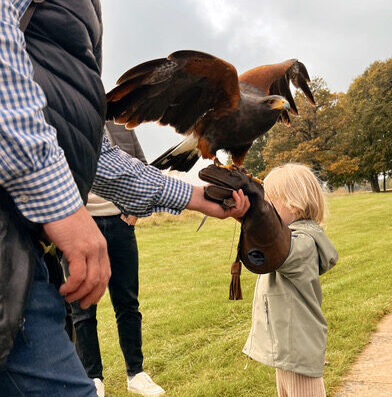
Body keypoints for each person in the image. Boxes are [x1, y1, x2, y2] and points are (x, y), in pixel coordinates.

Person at [0, 2, 249, 396]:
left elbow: (99, 156)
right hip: (10, 247)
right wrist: (62, 205)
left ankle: (135, 371)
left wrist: (196, 197)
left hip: (26, 255)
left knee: (124, 304)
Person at [71, 121, 164, 397]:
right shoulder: (69, 124)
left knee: (128, 303)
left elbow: (144, 170)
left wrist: (135, 211)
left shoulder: (122, 127)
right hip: (81, 228)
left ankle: (136, 373)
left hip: (121, 224)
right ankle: (93, 379)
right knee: (83, 309)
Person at [242, 163, 338, 397]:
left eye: (269, 202)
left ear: (293, 205)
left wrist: (254, 218)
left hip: (298, 350)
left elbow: (279, 251)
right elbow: (263, 251)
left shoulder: (303, 243)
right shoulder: (291, 237)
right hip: (288, 349)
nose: (265, 208)